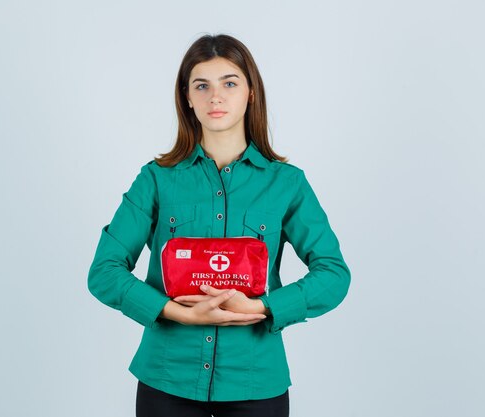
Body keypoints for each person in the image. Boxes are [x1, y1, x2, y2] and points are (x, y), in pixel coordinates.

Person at [87, 33, 351, 417]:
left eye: (229, 83)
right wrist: (180, 313)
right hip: (167, 380)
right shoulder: (156, 179)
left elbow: (333, 274)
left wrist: (261, 307)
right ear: (187, 98)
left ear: (251, 93)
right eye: (202, 86)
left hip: (256, 380)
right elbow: (104, 272)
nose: (216, 97)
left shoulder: (287, 183)